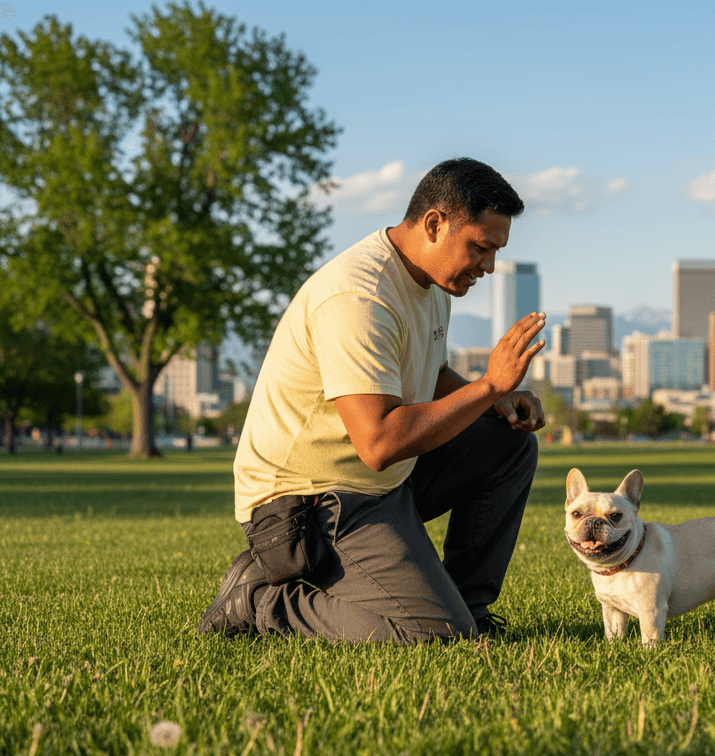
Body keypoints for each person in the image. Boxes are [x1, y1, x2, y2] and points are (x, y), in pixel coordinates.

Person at [198, 158, 546, 643]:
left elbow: (430, 372)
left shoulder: (431, 282)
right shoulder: (359, 296)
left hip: (377, 485)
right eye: (481, 248)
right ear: (433, 224)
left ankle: (469, 608)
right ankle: (259, 601)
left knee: (508, 446)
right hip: (308, 503)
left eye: (495, 252)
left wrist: (494, 402)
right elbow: (379, 441)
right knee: (434, 635)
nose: (488, 266)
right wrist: (488, 385)